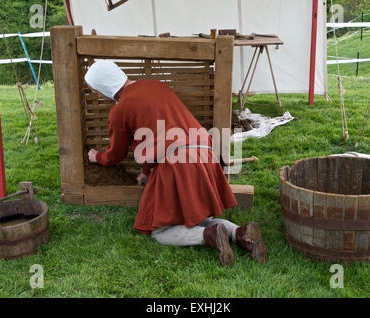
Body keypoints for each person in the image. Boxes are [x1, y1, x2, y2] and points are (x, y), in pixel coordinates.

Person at [84, 60, 268, 266]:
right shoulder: (156, 85)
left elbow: (115, 155)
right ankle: (240, 233)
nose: (97, 95)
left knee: (160, 231)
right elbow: (161, 130)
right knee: (194, 218)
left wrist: (96, 157)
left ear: (104, 86)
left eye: (95, 90)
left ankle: (209, 236)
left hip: (178, 163)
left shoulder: (119, 110)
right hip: (206, 154)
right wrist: (148, 171)